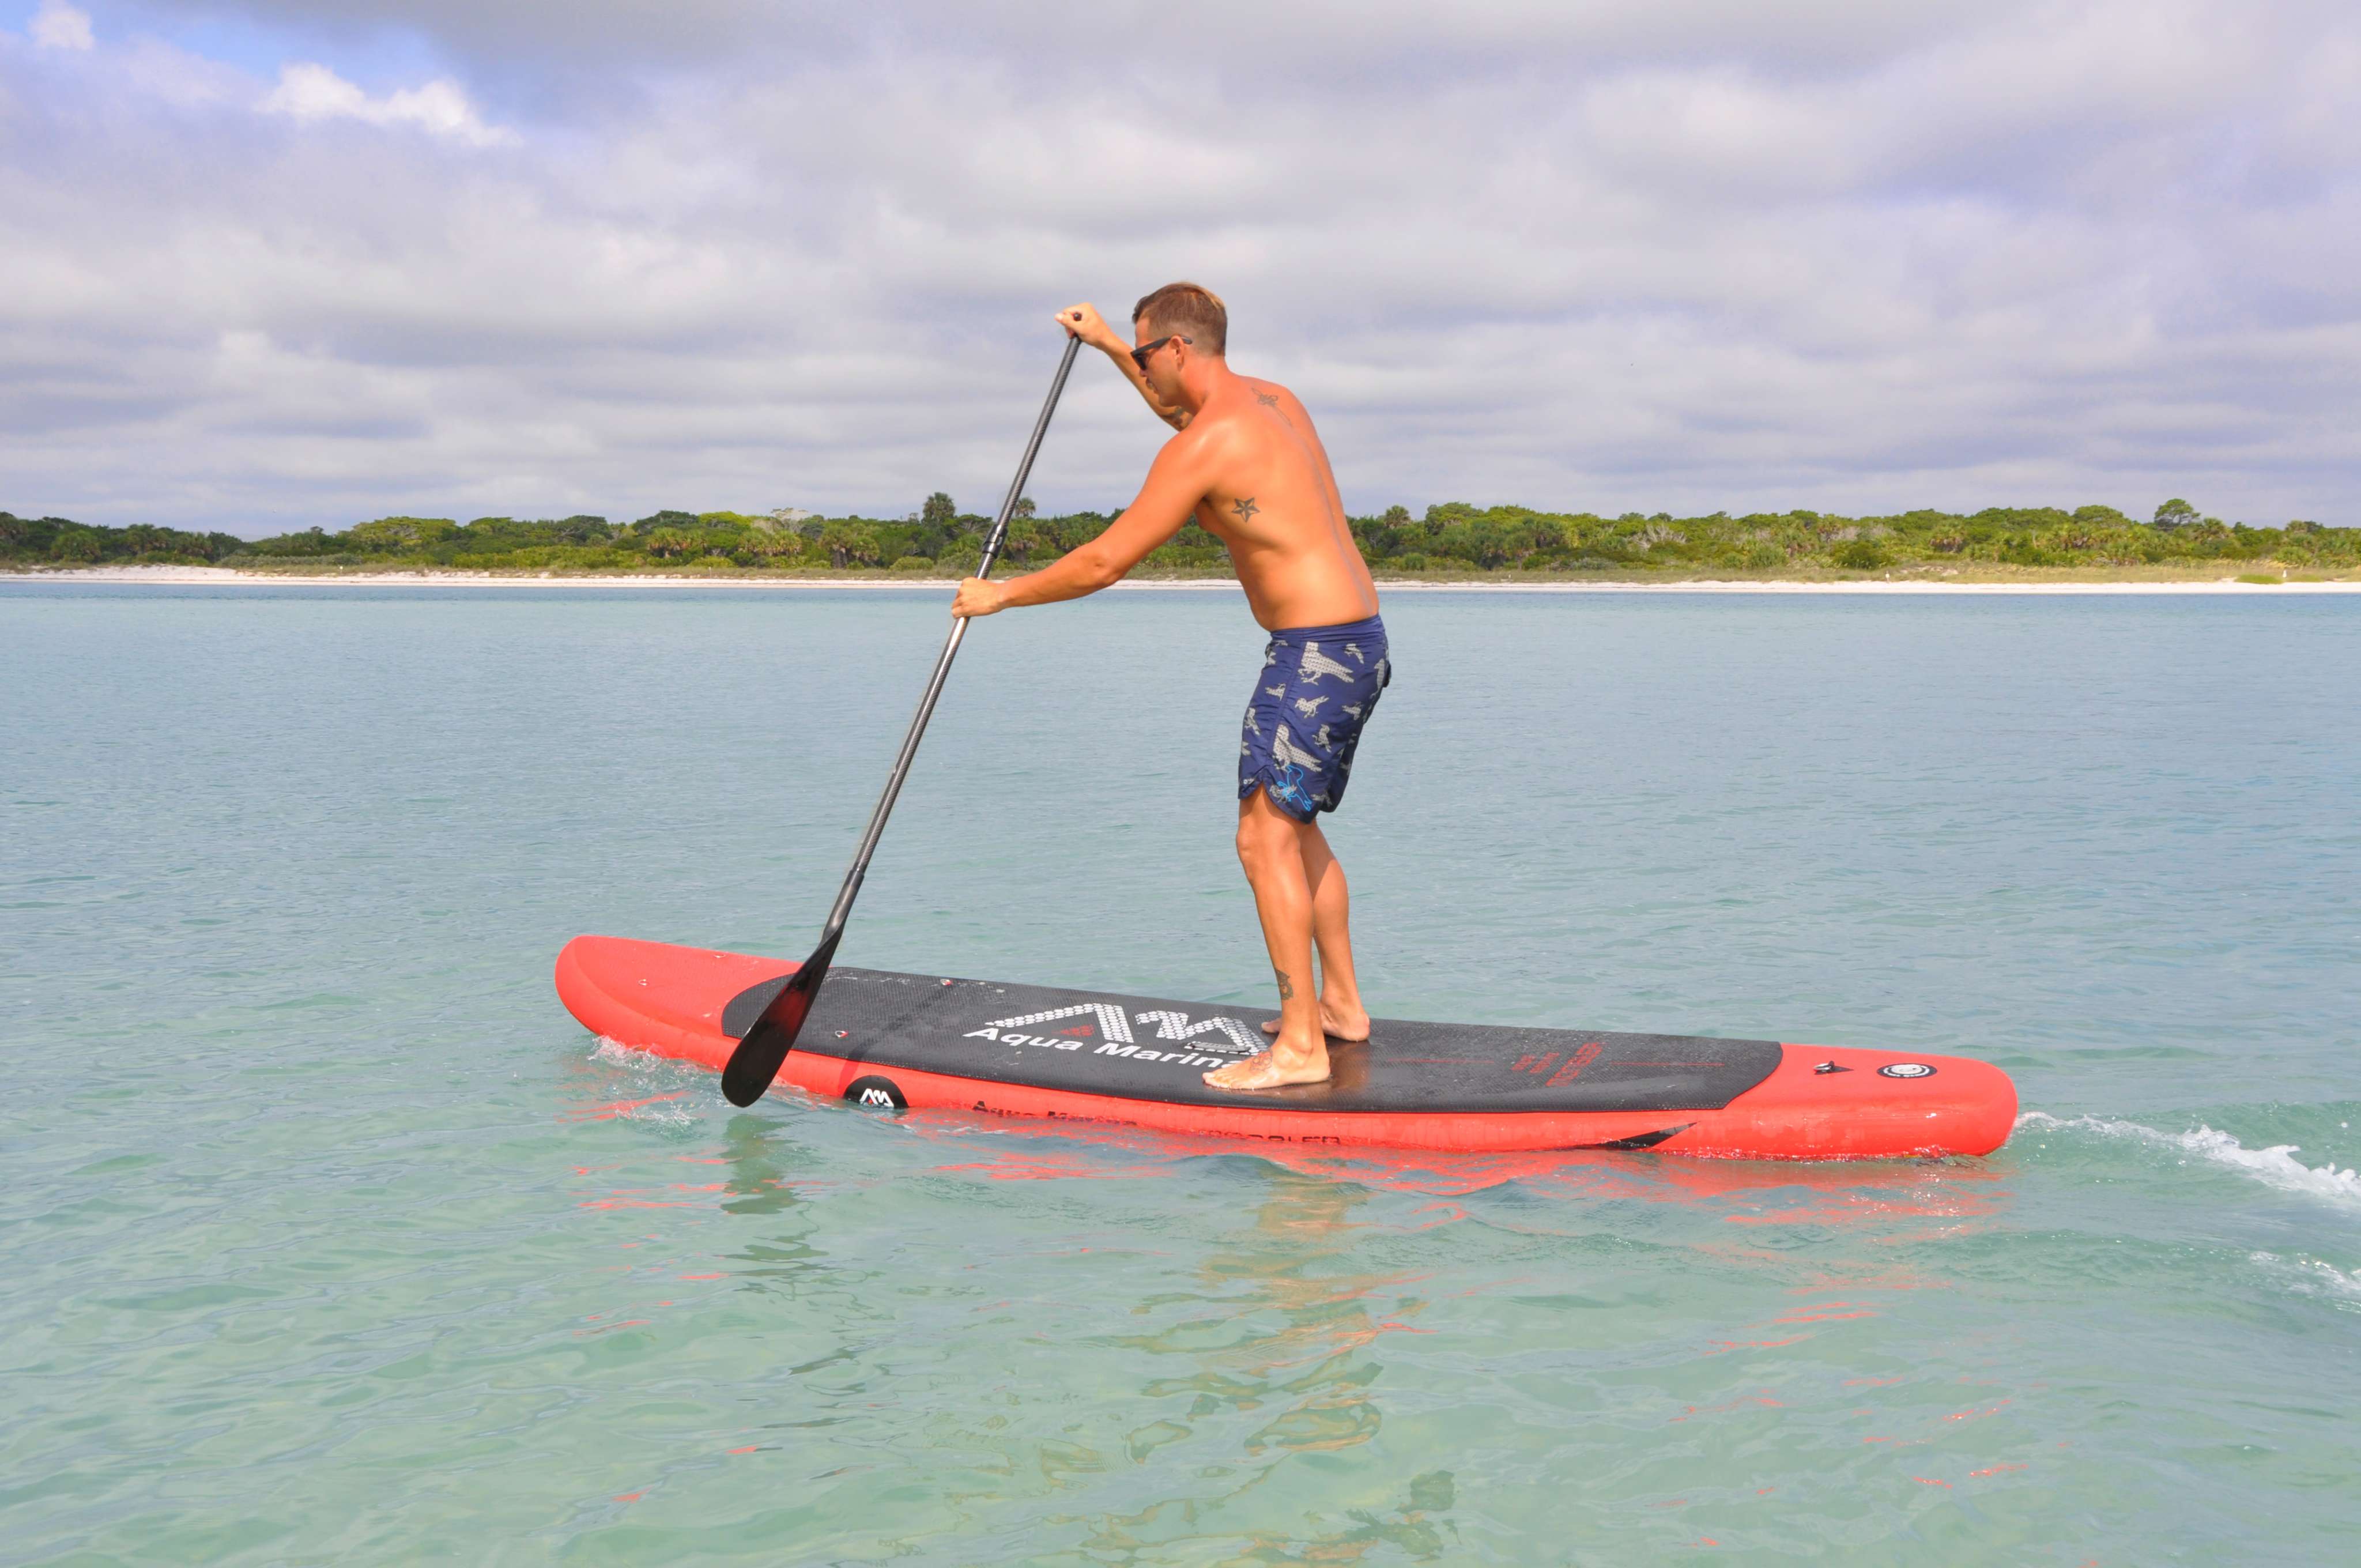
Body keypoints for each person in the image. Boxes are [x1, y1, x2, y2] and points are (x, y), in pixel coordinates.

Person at [952, 283, 1389, 1092]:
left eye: (1151, 355)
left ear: (1180, 349)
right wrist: (1114, 345)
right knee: (1294, 831)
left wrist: (1000, 594)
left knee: (1262, 839)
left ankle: (1300, 1046)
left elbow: (1103, 561)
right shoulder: (1272, 401)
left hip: (1311, 657)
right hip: (1359, 644)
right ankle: (1342, 1009)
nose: (1147, 372)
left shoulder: (1205, 447)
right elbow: (1182, 412)